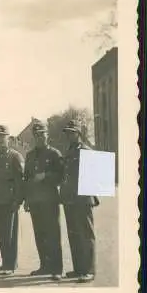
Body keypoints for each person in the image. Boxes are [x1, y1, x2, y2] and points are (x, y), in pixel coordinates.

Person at [24, 121, 64, 280]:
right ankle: (44, 266)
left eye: (42, 134)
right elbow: (26, 178)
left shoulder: (55, 153)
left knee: (53, 234)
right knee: (39, 234)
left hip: (50, 200)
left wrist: (45, 176)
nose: (40, 137)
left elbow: (61, 176)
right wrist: (27, 199)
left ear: (47, 135)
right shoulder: (30, 155)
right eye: (37, 135)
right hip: (35, 201)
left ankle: (57, 269)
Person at [60, 120, 100, 283]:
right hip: (70, 199)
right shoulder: (69, 151)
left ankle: (89, 270)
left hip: (82, 199)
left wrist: (90, 198)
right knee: (74, 234)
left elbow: (95, 176)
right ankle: (78, 269)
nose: (69, 135)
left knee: (86, 234)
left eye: (72, 132)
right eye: (67, 132)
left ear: (78, 134)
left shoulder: (86, 150)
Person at [0, 125, 24, 275]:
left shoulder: (15, 156)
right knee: (1, 233)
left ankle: (11, 264)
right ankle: (5, 262)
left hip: (10, 201)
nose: (0, 140)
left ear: (8, 138)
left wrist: (17, 200)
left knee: (10, 234)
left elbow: (20, 181)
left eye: (2, 137)